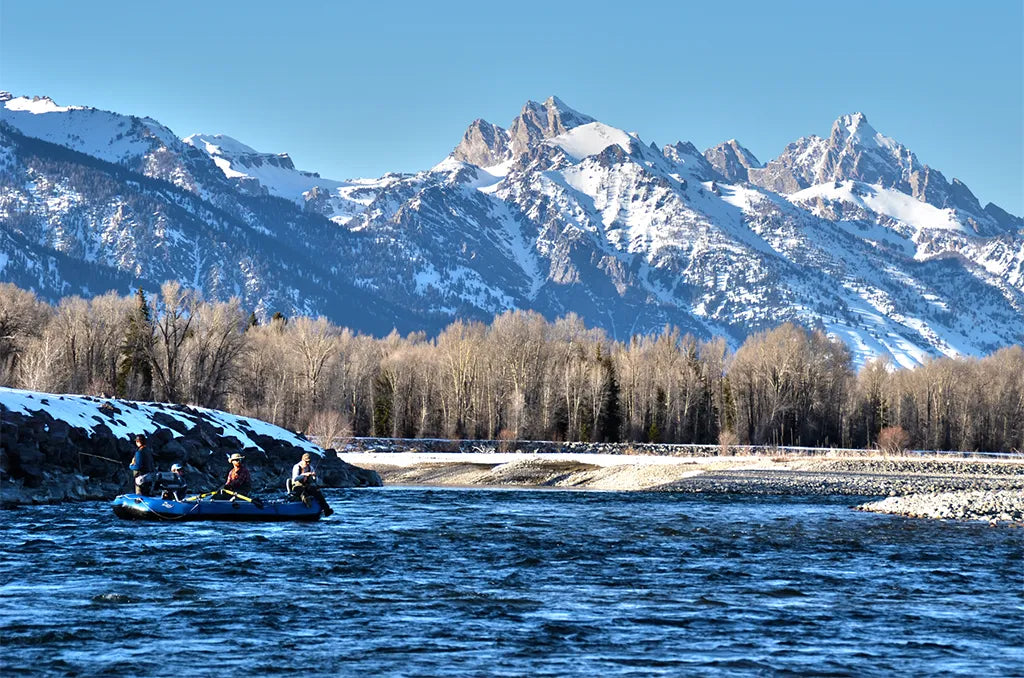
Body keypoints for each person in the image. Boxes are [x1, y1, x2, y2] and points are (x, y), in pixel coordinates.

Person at [288, 452, 333, 517]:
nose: (308, 463)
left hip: (307, 486)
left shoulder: (310, 467)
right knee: (303, 493)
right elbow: (295, 478)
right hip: (297, 486)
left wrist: (314, 476)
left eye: (309, 462)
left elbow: (315, 481)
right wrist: (304, 475)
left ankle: (326, 510)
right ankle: (307, 505)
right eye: (306, 462)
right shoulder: (297, 467)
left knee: (317, 492)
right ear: (303, 460)